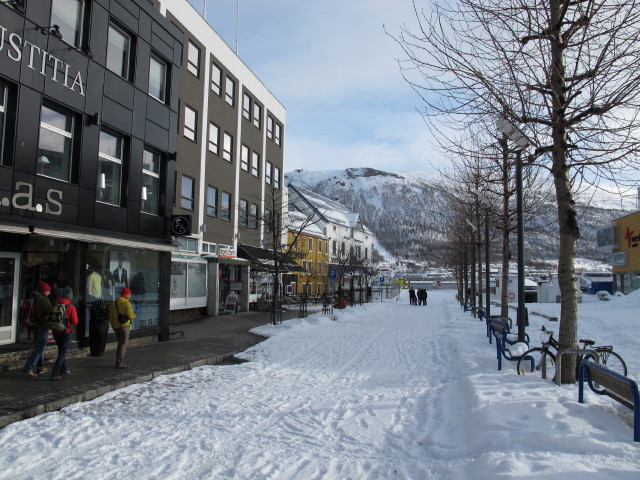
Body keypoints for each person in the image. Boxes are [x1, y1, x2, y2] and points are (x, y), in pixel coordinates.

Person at [22, 281, 52, 378]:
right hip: (42, 325)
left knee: (41, 346)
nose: (49, 292)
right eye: (48, 290)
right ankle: (28, 368)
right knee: (40, 348)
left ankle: (40, 367)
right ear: (44, 290)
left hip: (34, 324)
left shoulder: (34, 297)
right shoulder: (43, 299)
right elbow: (50, 312)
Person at [51, 287, 79, 381]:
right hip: (66, 332)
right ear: (70, 296)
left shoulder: (56, 304)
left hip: (56, 331)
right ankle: (55, 373)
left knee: (61, 351)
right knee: (62, 353)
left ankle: (63, 371)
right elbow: (75, 321)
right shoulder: (71, 306)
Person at [109, 287, 136, 369]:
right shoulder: (126, 303)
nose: (130, 296)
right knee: (123, 344)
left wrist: (113, 324)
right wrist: (134, 316)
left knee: (120, 343)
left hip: (116, 326)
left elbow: (110, 316)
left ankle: (118, 361)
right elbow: (130, 315)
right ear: (125, 295)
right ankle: (119, 362)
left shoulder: (114, 302)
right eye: (129, 295)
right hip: (124, 326)